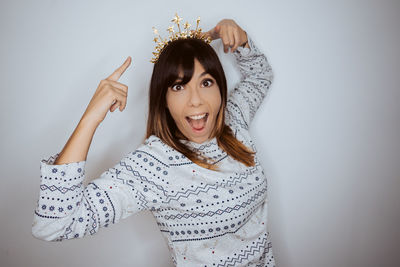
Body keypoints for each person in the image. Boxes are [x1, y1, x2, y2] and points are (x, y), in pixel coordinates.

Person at [32, 15, 275, 267]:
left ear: (220, 88)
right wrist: (90, 118)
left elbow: (260, 77)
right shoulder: (155, 165)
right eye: (179, 87)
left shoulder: (234, 120)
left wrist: (239, 37)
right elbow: (53, 226)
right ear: (164, 99)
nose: (196, 100)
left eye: (206, 82)